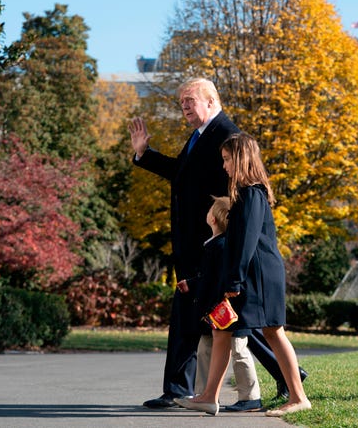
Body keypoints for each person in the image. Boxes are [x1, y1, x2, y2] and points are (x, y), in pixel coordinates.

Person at [176, 132, 311, 417]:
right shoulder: (247, 194)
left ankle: (299, 397)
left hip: (257, 276)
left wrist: (234, 280)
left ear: (239, 159)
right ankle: (209, 396)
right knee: (221, 327)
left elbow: (247, 241)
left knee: (273, 331)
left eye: (226, 159)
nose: (224, 165)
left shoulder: (251, 193)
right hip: (250, 273)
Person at [128, 77, 239, 408]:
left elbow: (234, 191)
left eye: (190, 100)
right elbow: (182, 174)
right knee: (191, 316)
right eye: (181, 103)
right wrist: (144, 154)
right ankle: (177, 388)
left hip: (208, 241)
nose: (185, 107)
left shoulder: (226, 134)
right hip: (195, 242)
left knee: (232, 318)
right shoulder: (201, 135)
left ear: (211, 100)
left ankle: (285, 373)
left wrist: (222, 235)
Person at [186, 196, 263, 413]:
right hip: (215, 311)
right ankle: (204, 394)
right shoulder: (214, 245)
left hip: (229, 310)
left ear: (214, 218)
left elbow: (218, 280)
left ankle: (250, 396)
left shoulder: (223, 246)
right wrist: (193, 284)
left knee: (239, 349)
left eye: (211, 209)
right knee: (205, 349)